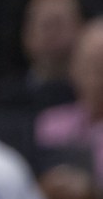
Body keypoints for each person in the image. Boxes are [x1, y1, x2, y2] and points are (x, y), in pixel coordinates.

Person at [37, 17, 103, 188]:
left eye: (100, 68)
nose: (96, 79)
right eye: (89, 66)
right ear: (73, 69)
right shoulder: (51, 123)